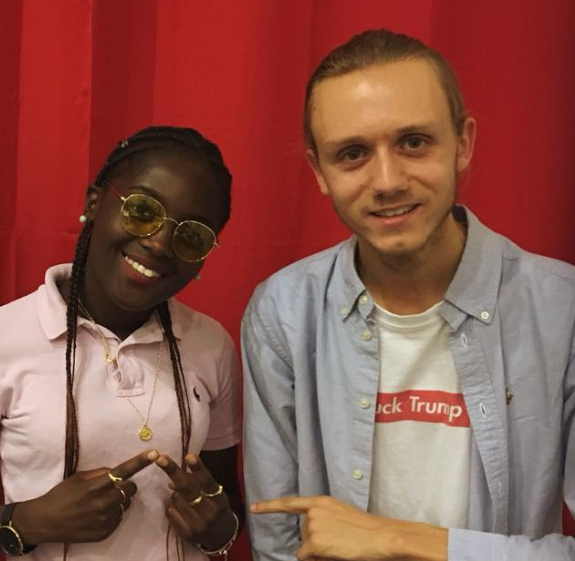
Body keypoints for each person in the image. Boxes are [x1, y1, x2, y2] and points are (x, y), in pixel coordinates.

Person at [242, 29, 575, 561]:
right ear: (319, 172)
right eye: (352, 154)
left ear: (463, 143)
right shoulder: (282, 312)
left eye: (414, 142)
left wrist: (400, 539)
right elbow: (279, 543)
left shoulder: (562, 310)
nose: (388, 181)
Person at [0, 125, 243, 560]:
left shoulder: (212, 345)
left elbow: (225, 503)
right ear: (94, 203)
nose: (160, 243)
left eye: (192, 236)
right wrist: (29, 521)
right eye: (142, 210)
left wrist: (219, 529)